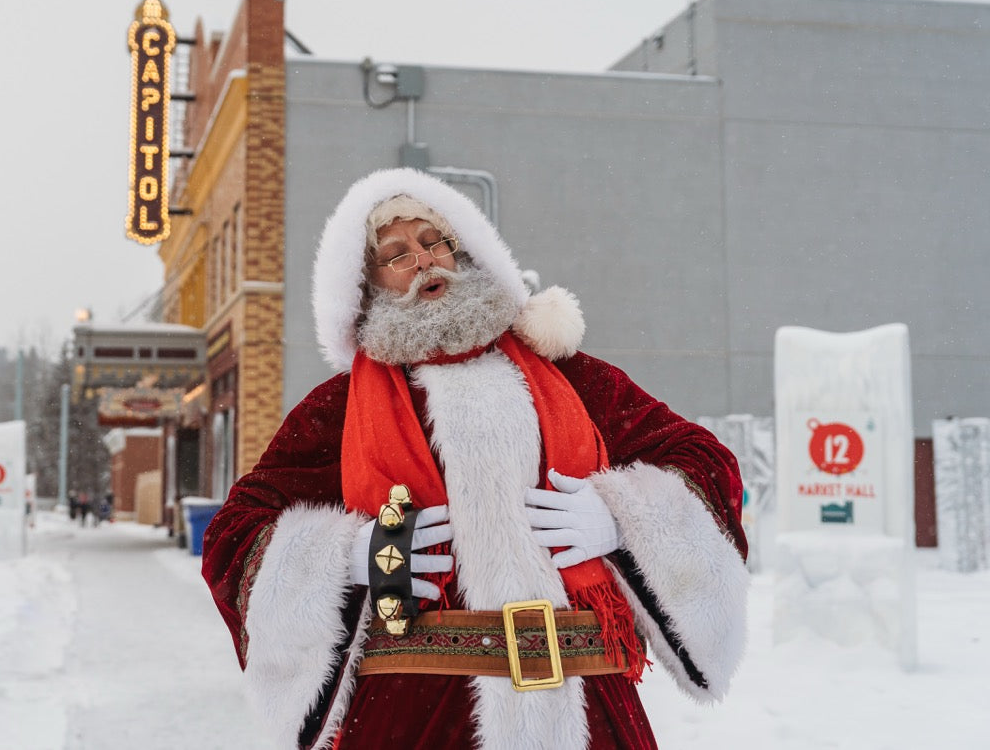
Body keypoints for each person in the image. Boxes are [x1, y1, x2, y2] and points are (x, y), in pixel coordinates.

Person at [202, 168, 748, 749]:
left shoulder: (571, 378)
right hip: (417, 712)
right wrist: (347, 558)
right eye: (396, 255)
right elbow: (235, 534)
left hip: (585, 699)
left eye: (433, 241)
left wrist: (622, 516)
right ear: (369, 286)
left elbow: (705, 461)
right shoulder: (340, 409)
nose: (423, 261)